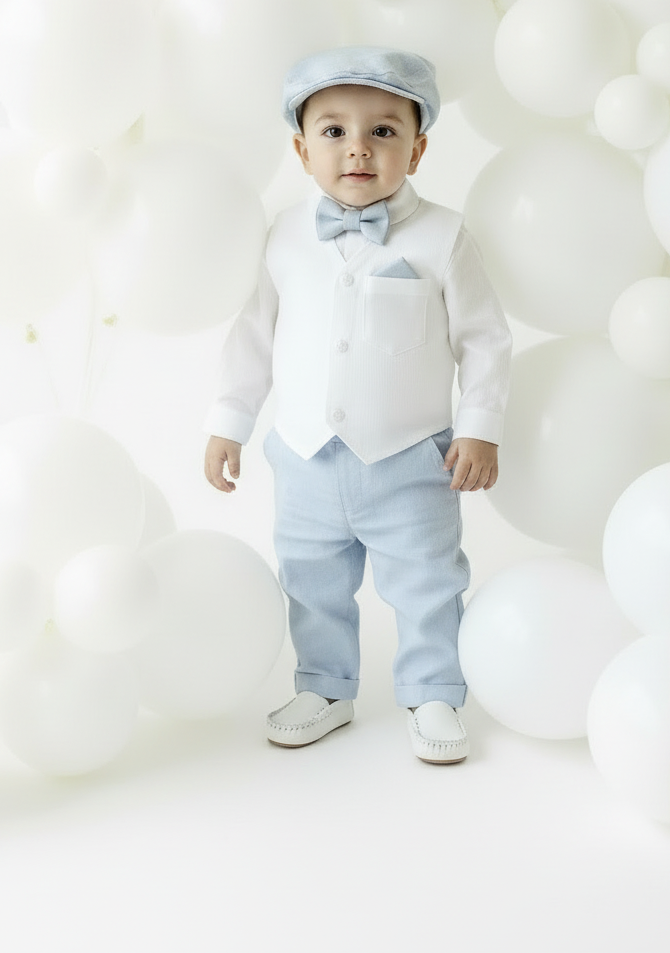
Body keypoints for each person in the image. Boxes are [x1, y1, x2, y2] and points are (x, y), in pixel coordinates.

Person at [204, 45, 511, 763]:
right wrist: (229, 423)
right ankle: (325, 683)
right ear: (301, 148)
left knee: (428, 581)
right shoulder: (283, 235)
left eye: (383, 131)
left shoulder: (444, 236)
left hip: (411, 459)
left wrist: (481, 429)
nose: (359, 149)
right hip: (305, 456)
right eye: (334, 131)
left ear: (419, 147)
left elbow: (485, 340)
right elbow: (252, 335)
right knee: (310, 580)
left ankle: (434, 688)